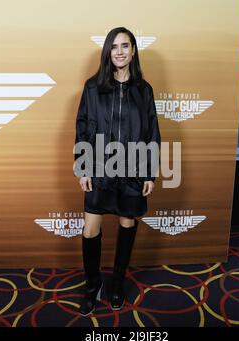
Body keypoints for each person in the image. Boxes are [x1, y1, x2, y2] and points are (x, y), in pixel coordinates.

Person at [73, 27, 161, 316]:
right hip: (99, 167)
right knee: (90, 229)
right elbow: (83, 128)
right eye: (114, 46)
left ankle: (117, 284)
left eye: (125, 45)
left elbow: (152, 133)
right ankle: (92, 286)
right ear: (107, 52)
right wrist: (82, 167)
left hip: (133, 168)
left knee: (127, 224)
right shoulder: (91, 87)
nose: (120, 51)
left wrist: (149, 172)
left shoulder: (144, 90)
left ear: (134, 51)